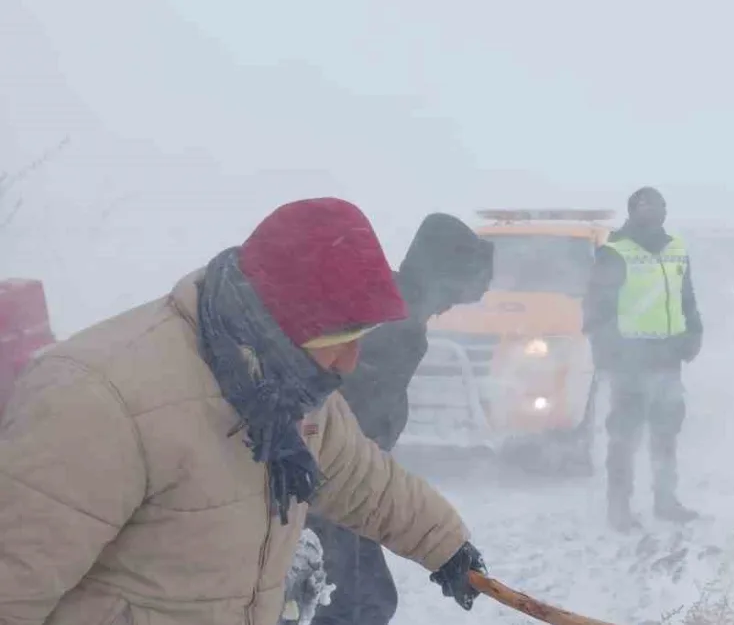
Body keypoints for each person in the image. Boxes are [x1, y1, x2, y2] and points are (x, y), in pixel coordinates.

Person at [0, 198, 487, 625]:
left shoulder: (290, 390)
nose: (350, 363)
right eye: (337, 342)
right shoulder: (101, 401)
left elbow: (362, 479)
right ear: (277, 322)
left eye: (359, 340)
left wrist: (445, 545)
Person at [305, 213, 494, 625]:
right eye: (456, 291)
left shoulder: (400, 312)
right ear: (442, 275)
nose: (451, 306)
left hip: (350, 477)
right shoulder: (392, 326)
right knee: (348, 607)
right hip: (329, 483)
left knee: (367, 601)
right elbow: (337, 425)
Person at [582, 186, 704, 531]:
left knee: (666, 432)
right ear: (632, 211)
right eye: (644, 206)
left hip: (668, 358)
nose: (652, 212)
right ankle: (618, 508)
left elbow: (688, 298)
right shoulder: (614, 252)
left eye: (658, 206)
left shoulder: (676, 249)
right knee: (625, 436)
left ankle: (666, 500)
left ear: (666, 210)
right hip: (629, 362)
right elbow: (595, 310)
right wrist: (609, 354)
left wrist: (694, 333)